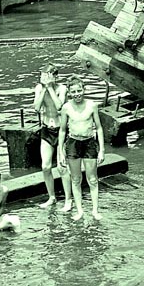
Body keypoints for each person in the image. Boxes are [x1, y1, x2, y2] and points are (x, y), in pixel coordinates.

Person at [57, 76, 106, 221]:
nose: (77, 94)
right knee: (76, 179)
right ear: (70, 93)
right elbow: (62, 131)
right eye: (74, 91)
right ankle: (79, 211)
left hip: (89, 142)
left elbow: (99, 128)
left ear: (84, 90)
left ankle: (95, 211)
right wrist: (61, 152)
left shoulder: (92, 105)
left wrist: (101, 149)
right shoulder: (66, 107)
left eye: (79, 90)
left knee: (92, 179)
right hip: (73, 143)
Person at [32, 63, 72, 211]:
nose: (44, 79)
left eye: (47, 76)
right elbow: (36, 107)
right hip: (47, 130)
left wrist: (49, 87)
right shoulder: (39, 88)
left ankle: (68, 200)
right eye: (42, 76)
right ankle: (52, 197)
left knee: (62, 166)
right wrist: (43, 89)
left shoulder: (62, 88)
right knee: (45, 166)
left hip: (61, 130)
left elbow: (59, 106)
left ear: (55, 77)